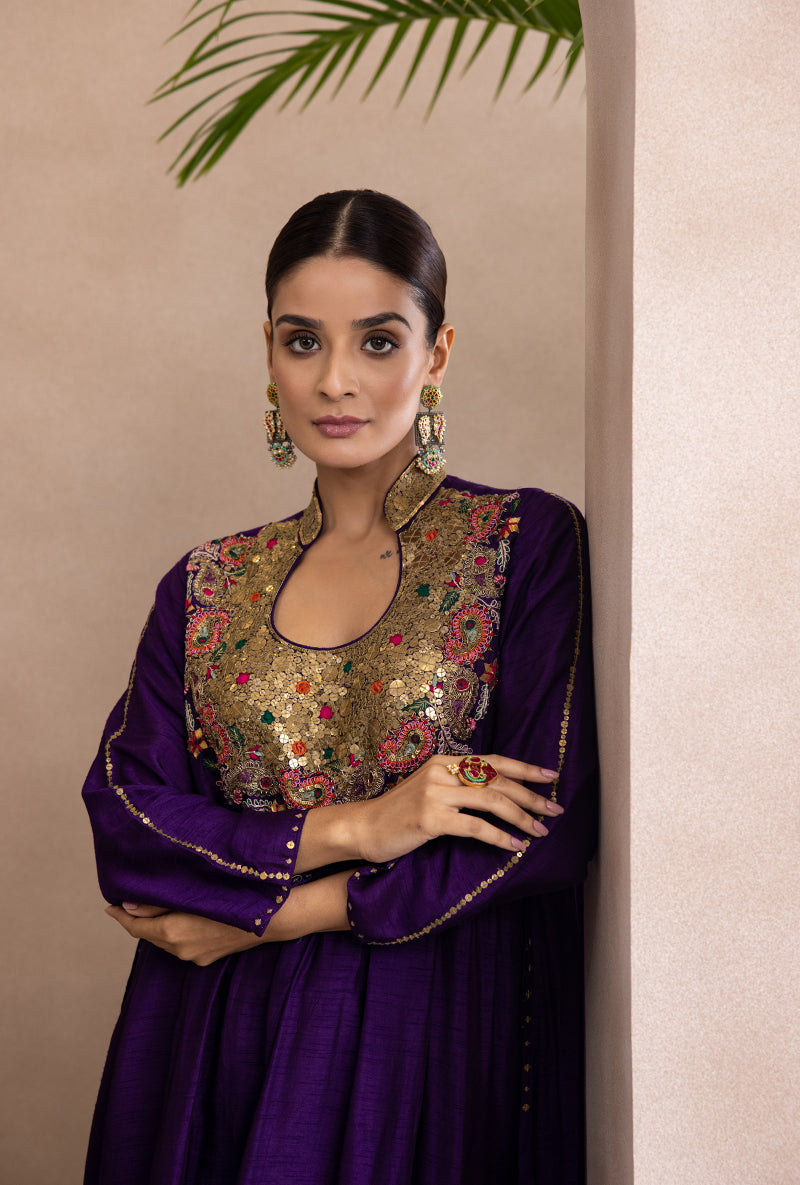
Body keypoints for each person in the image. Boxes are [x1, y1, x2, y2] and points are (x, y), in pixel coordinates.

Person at [82, 189, 598, 1185]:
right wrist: (360, 829)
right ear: (267, 354)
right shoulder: (205, 583)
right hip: (206, 1032)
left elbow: (545, 828)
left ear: (435, 354)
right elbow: (126, 821)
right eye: (301, 341)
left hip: (428, 1025)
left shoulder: (523, 547)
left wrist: (268, 916)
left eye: (375, 341)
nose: (334, 381)